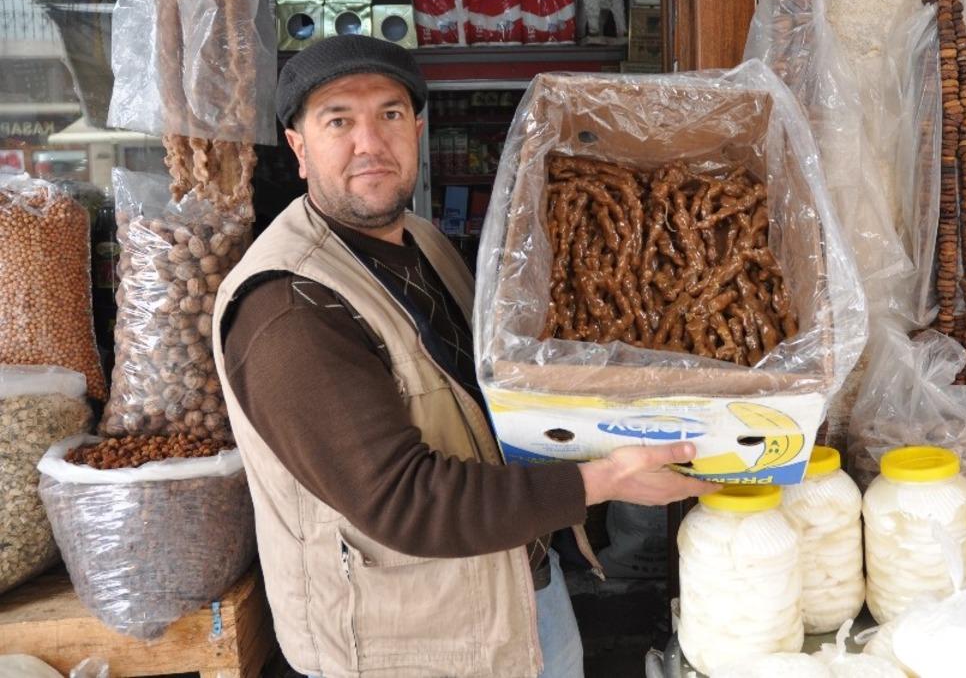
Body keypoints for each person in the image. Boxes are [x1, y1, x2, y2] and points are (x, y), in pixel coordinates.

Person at [212, 34, 717, 678]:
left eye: (390, 114)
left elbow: (491, 397)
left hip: (516, 590)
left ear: (418, 129)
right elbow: (403, 499)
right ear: (299, 148)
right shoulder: (288, 306)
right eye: (338, 120)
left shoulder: (422, 241)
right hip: (410, 645)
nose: (369, 142)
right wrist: (605, 481)